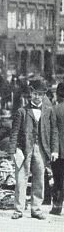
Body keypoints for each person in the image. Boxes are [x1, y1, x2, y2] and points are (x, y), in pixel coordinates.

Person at [9, 77, 59, 220]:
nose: (37, 97)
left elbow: (54, 131)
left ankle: (36, 209)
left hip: (41, 149)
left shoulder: (49, 111)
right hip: (24, 149)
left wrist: (54, 150)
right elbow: (14, 133)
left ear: (44, 95)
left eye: (41, 94)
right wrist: (13, 150)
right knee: (21, 179)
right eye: (35, 93)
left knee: (39, 179)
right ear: (30, 93)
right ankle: (18, 210)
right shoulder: (21, 111)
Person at [50, 82, 64, 215]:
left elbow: (53, 131)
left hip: (59, 152)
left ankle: (57, 207)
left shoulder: (55, 109)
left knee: (58, 179)